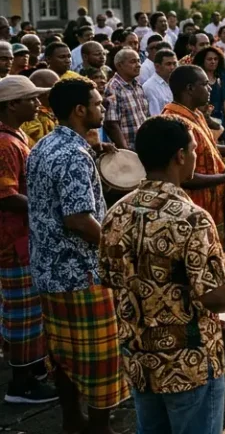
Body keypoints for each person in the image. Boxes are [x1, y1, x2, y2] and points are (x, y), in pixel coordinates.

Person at [100, 116, 225, 434]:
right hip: (188, 365)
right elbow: (214, 296)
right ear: (180, 156)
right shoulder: (192, 218)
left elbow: (110, 278)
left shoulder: (115, 213)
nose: (195, 156)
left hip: (139, 358)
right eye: (194, 149)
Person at [26, 78, 128, 434]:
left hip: (48, 271)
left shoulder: (43, 145)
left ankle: (73, 421)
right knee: (101, 361)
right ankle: (100, 428)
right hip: (80, 273)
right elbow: (78, 218)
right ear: (80, 110)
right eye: (98, 104)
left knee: (63, 357)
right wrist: (114, 246)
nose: (103, 109)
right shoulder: (73, 154)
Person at [0, 76, 58, 404]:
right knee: (22, 312)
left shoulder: (15, 135)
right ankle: (20, 384)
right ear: (11, 105)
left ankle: (34, 369)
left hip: (24, 238)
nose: (37, 104)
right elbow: (5, 195)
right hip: (13, 243)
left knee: (32, 310)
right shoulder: (5, 144)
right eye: (30, 99)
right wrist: (49, 208)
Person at [163, 66, 225, 226]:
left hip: (210, 200)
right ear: (190, 88)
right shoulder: (175, 123)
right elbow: (183, 176)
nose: (210, 88)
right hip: (192, 208)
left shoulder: (196, 114)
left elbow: (209, 148)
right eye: (205, 84)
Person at [103, 48, 149, 149]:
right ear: (119, 65)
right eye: (133, 62)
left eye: (138, 61)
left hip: (144, 146)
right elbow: (111, 124)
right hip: (129, 149)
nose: (138, 65)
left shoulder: (137, 85)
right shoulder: (113, 87)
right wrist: (126, 151)